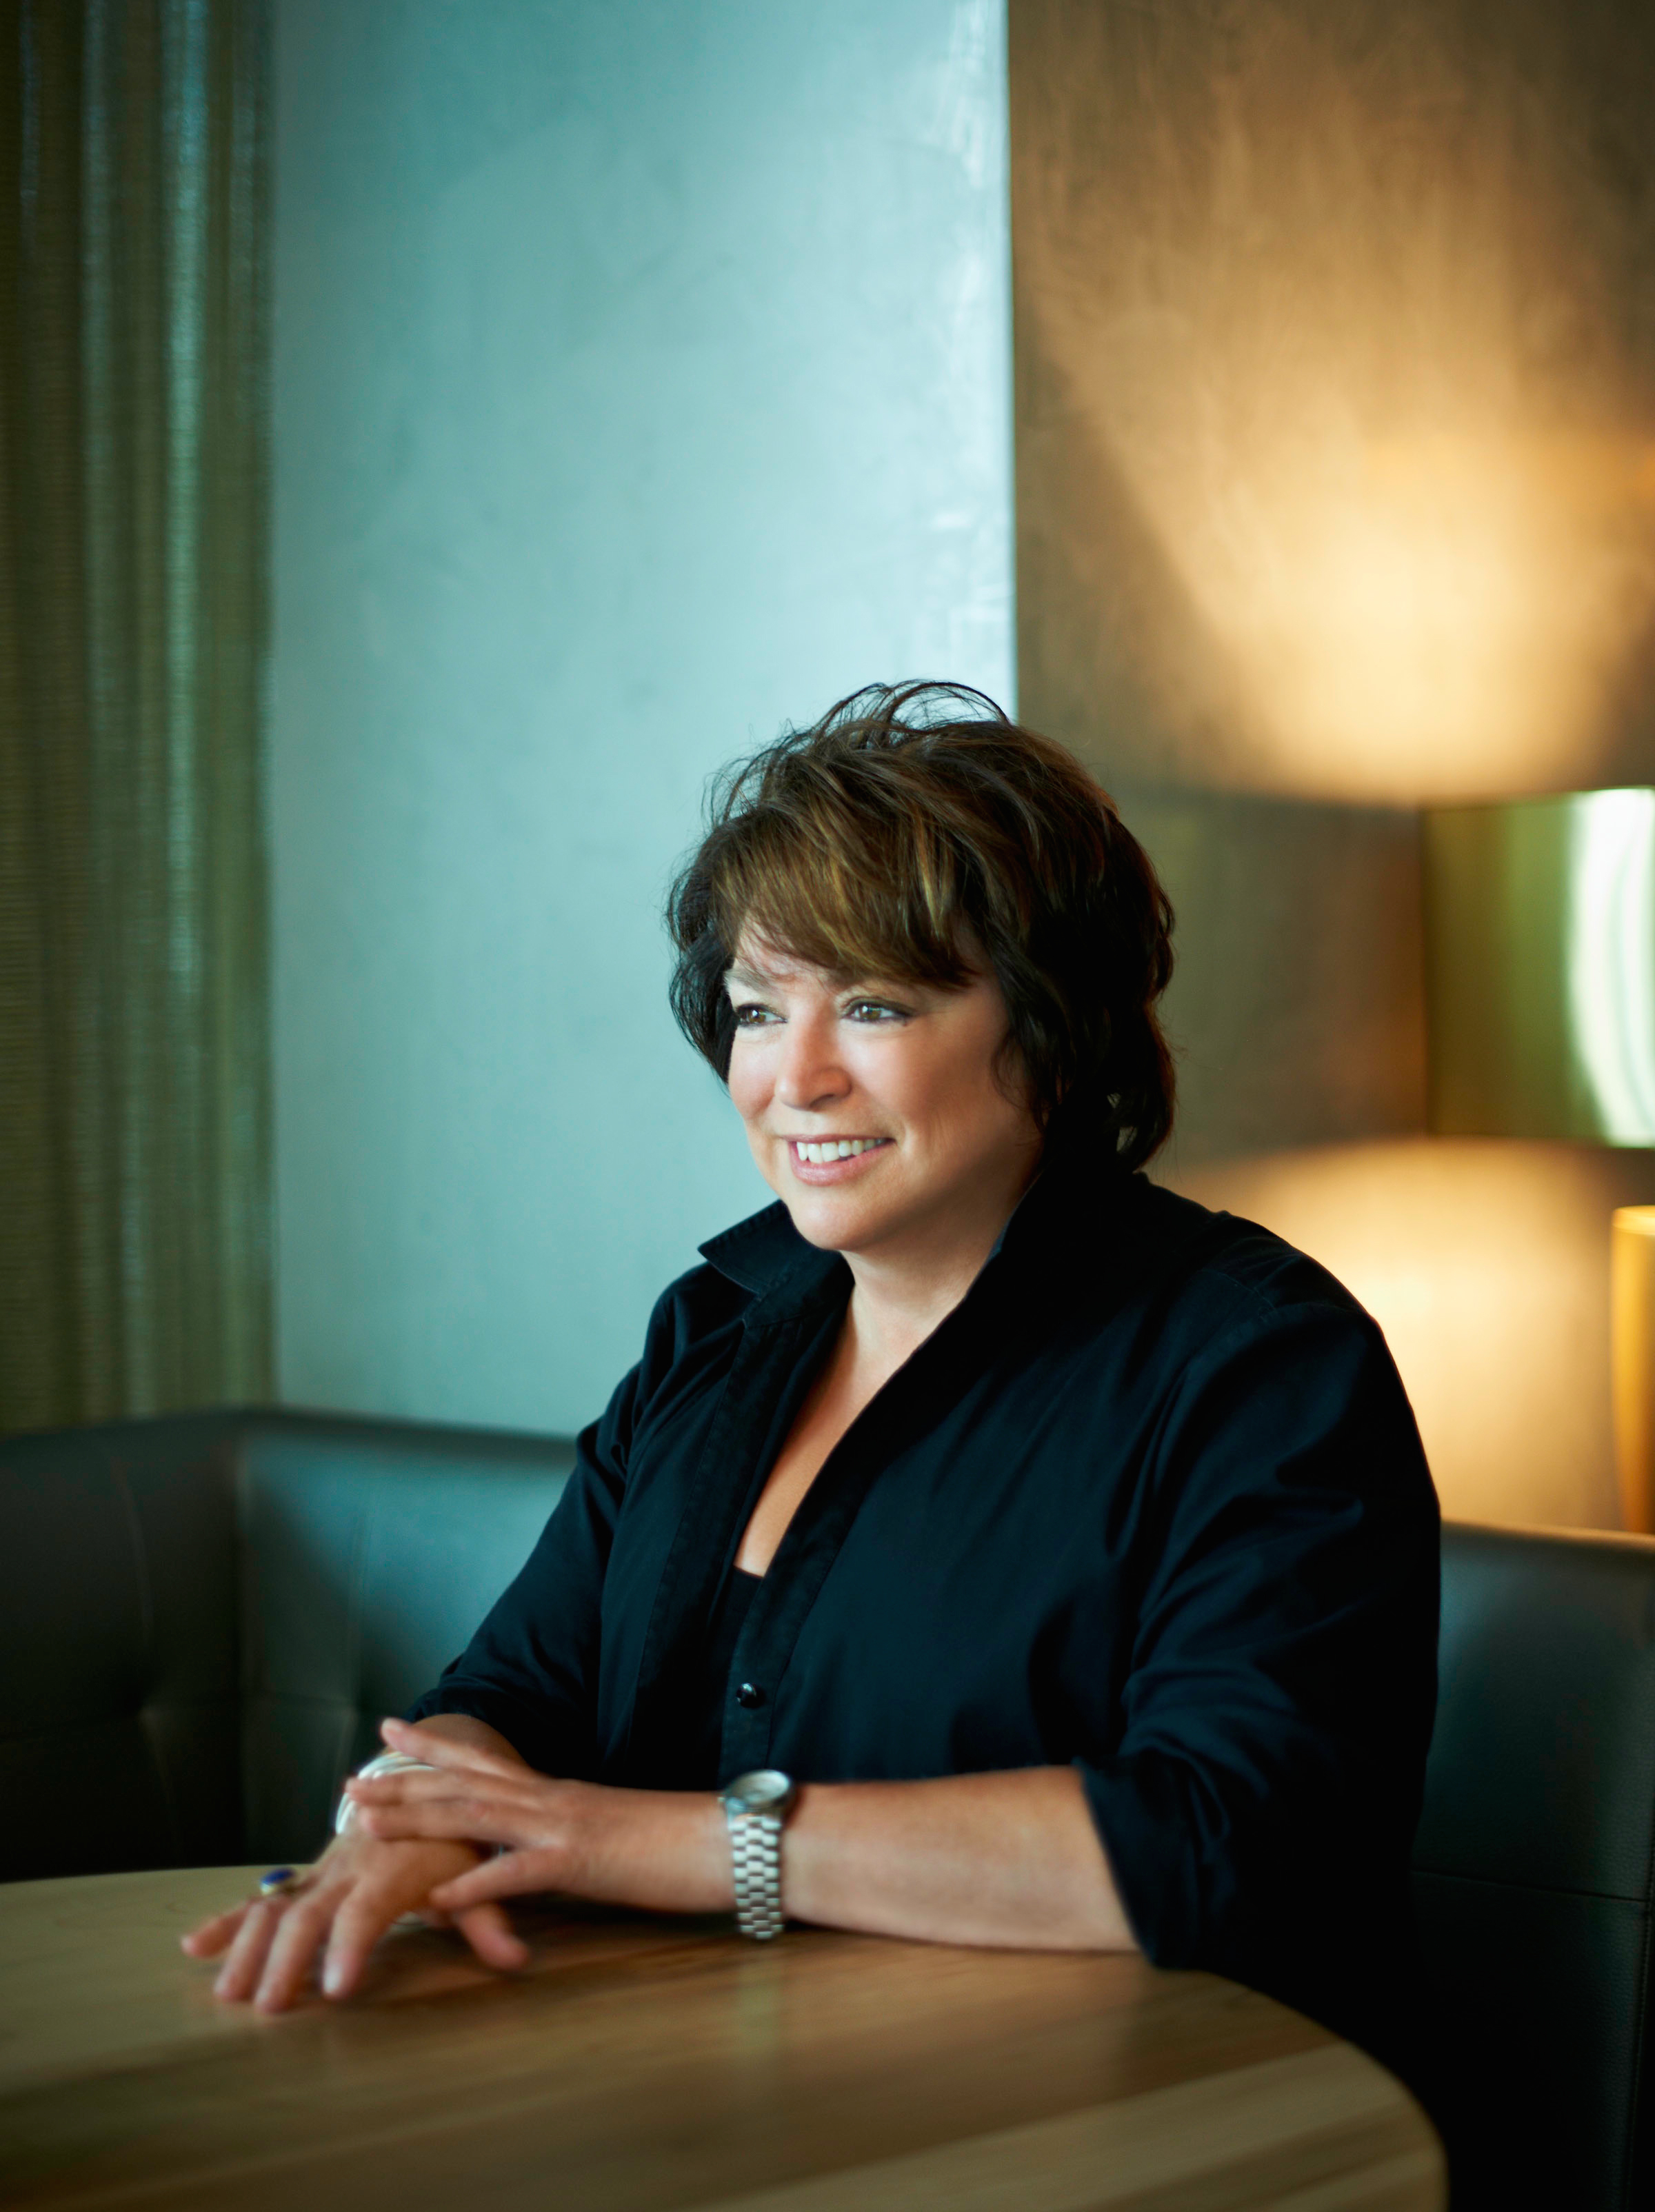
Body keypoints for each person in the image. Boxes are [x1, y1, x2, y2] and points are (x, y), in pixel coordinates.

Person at [185, 683, 1439, 2058]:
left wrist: (627, 1838)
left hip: (1097, 2125)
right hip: (686, 2086)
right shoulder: (718, 1323)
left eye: (878, 1005)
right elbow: (515, 1693)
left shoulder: (1256, 1363)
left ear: (1056, 1026)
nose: (799, 1077)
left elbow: (1223, 1843)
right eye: (758, 1007)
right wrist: (402, 1819)